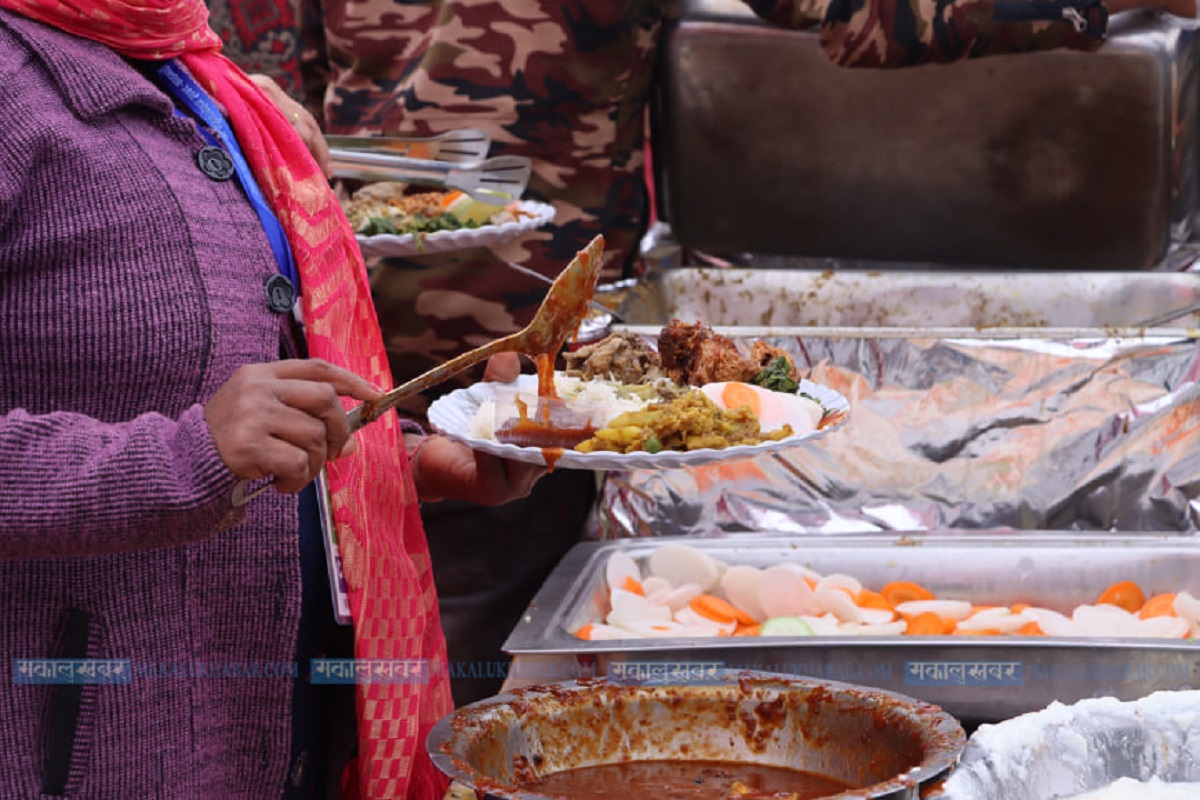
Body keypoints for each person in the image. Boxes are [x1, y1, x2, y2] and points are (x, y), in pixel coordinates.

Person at [0, 2, 548, 798]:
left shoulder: (194, 75)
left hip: (283, 725)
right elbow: (205, 441)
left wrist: (402, 460)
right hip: (95, 742)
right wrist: (179, 459)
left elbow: (245, 390)